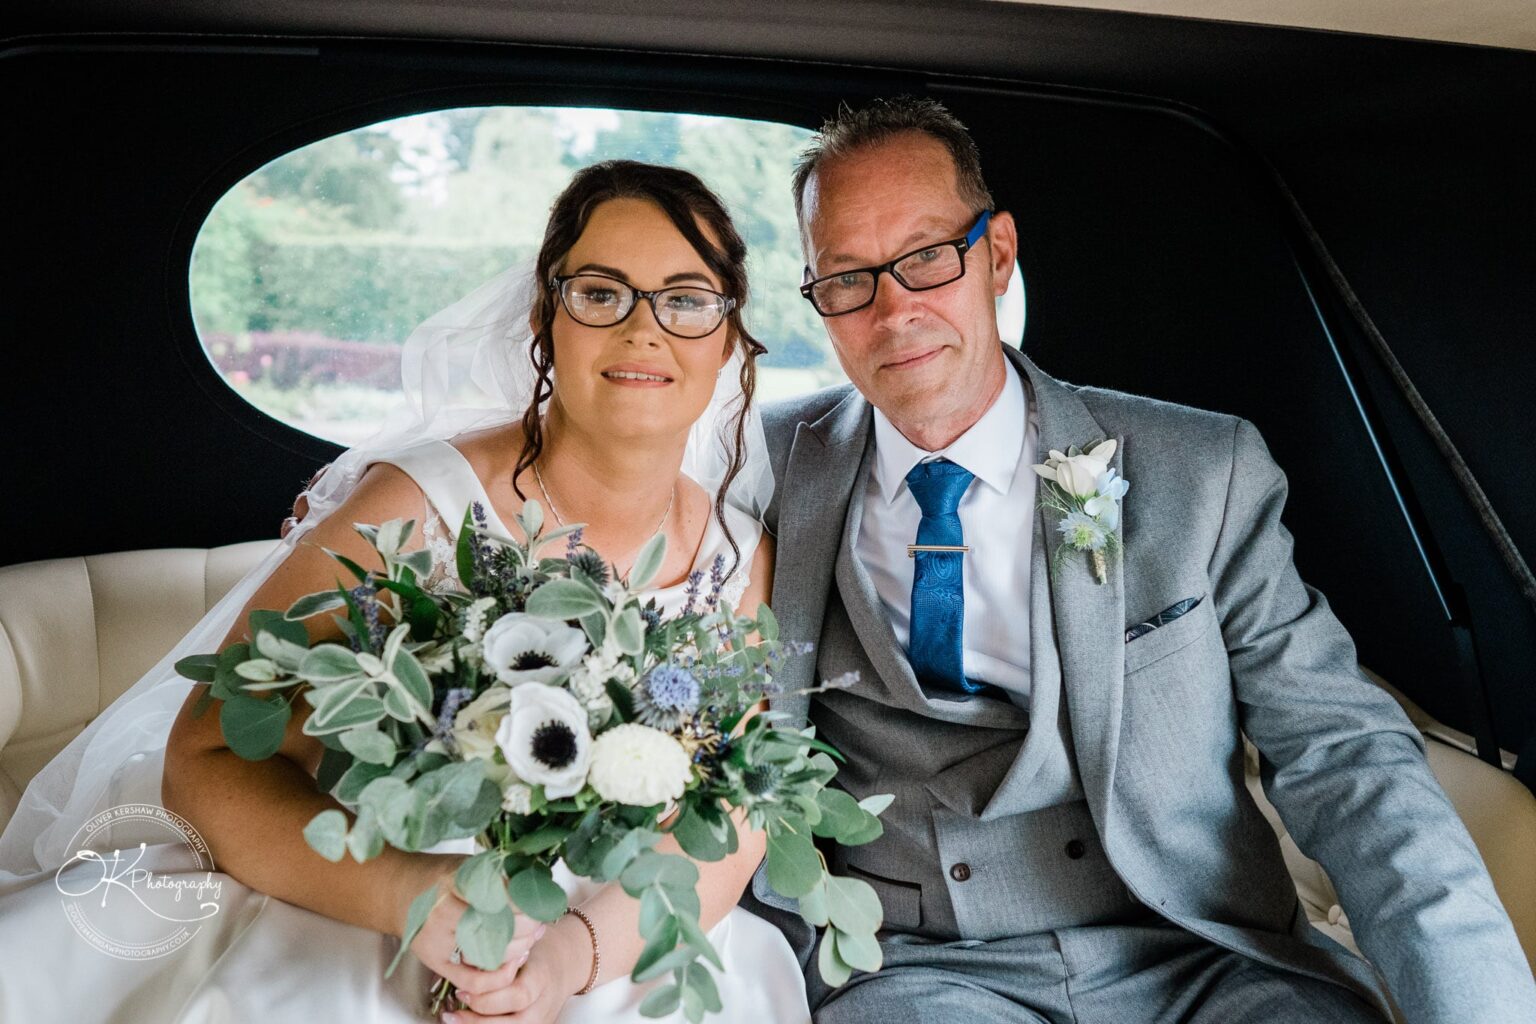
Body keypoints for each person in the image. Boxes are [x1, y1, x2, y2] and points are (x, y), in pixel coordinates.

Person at [737, 97, 1536, 1024]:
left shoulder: (1201, 470)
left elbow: (1342, 753)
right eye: (847, 278)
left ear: (997, 255)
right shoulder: (756, 475)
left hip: (1203, 954)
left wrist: (1479, 1010)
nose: (894, 310)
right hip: (914, 969)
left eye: (925, 258)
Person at [0, 161, 811, 1024]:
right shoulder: (416, 510)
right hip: (366, 887)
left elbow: (726, 820)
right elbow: (207, 763)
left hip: (612, 926)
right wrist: (413, 899)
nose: (645, 329)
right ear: (546, 317)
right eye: (601, 293)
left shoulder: (741, 558)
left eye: (685, 299)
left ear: (727, 336)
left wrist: (572, 956)